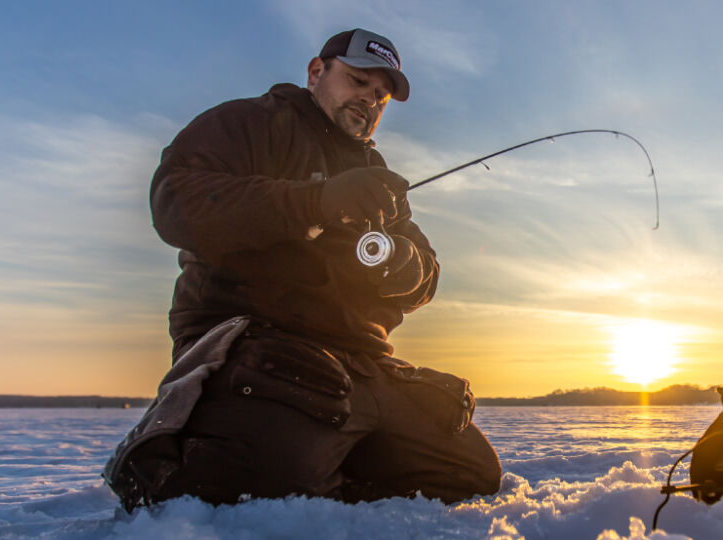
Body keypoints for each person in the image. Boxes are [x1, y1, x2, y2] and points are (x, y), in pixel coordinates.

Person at [103, 28, 501, 511]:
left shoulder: (378, 179)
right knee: (276, 482)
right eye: (357, 81)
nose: (370, 101)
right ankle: (170, 474)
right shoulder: (249, 123)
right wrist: (314, 202)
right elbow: (175, 202)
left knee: (470, 472)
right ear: (317, 72)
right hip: (257, 345)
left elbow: (427, 276)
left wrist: (402, 264)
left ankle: (328, 472)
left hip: (362, 363)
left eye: (381, 96)